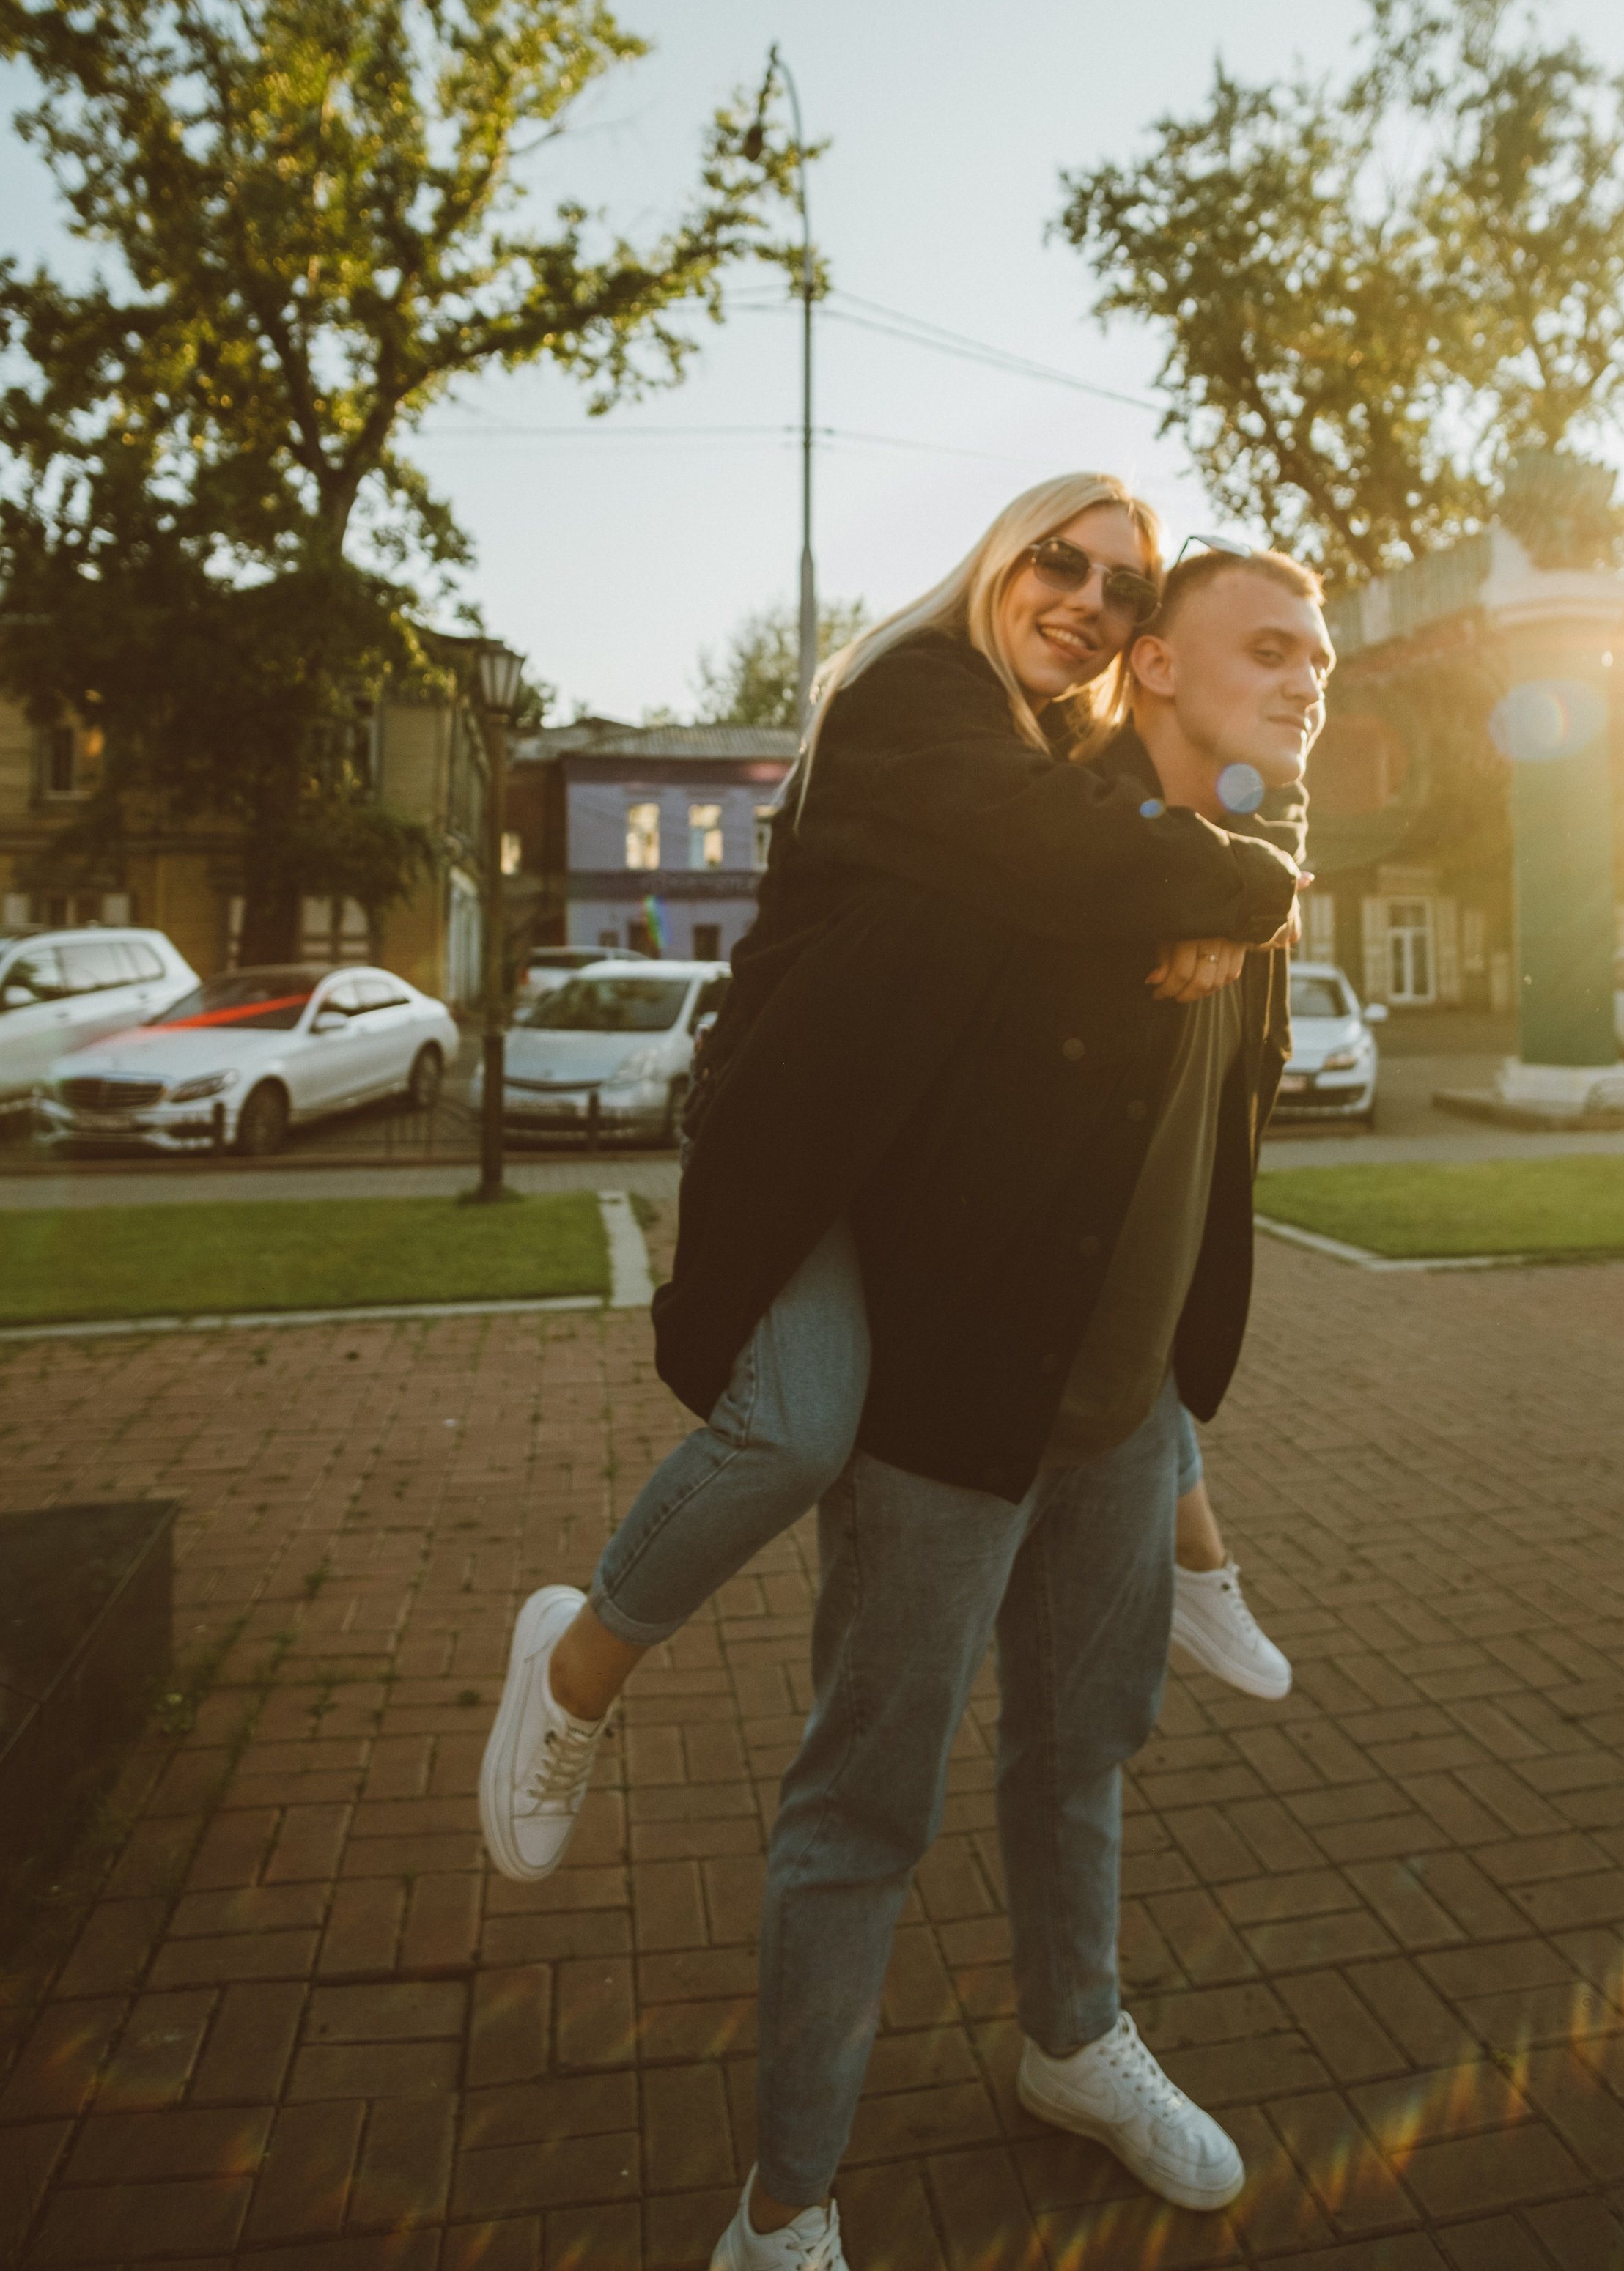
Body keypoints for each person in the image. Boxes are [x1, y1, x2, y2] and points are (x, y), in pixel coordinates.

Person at [478, 479, 1300, 1904]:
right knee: (795, 1428)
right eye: (1063, 563)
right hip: (801, 1135)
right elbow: (1072, 849)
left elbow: (1126, 835)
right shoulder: (913, 692)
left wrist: (1204, 895)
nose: (1089, 605)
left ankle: (1192, 1539)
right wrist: (1245, 883)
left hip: (897, 1149)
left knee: (1105, 1257)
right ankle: (574, 1661)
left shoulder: (1035, 736)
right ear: (997, 557)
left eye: (1122, 591)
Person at [697, 538, 1333, 2267]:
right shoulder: (1038, 866)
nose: (1301, 679)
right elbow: (839, 1076)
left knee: (1081, 1756)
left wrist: (1239, 879)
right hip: (947, 1425)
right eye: (1264, 649)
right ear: (1152, 675)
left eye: (1317, 659)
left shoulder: (1240, 872)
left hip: (1121, 1427)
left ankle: (1071, 2044)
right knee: (861, 1812)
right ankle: (782, 2209)